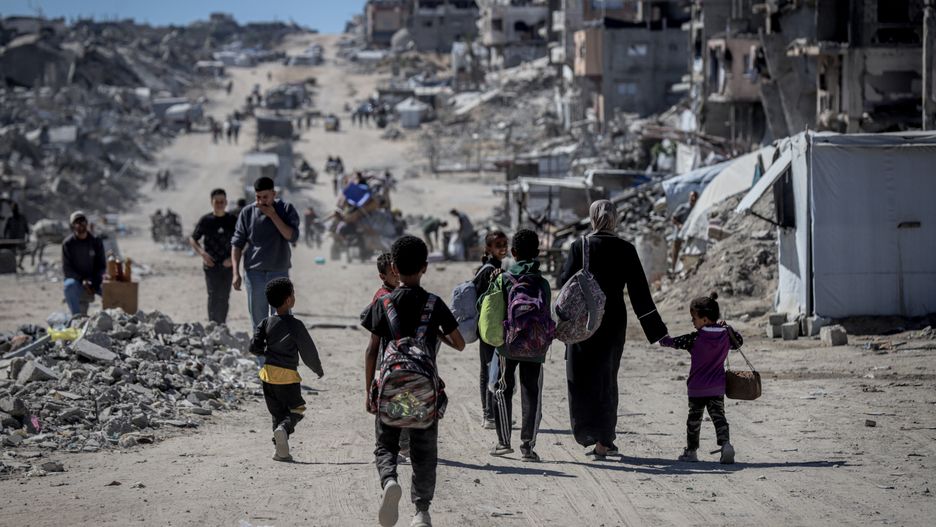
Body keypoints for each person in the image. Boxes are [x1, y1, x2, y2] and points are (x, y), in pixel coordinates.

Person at [361, 236, 465, 527]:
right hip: (422, 390)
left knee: (386, 444)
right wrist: (437, 333)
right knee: (424, 451)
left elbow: (371, 351)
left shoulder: (383, 303)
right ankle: (421, 511)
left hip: (392, 386)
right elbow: (460, 344)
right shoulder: (434, 303)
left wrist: (369, 391)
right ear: (425, 267)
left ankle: (390, 480)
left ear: (394, 268)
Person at [558, 200, 668, 458]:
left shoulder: (579, 246)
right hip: (613, 322)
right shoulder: (626, 249)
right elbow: (640, 293)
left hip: (583, 321)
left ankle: (586, 433)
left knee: (580, 377)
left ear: (592, 218)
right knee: (607, 379)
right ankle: (604, 440)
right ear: (615, 218)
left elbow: (563, 283)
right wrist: (657, 332)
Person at [489, 229, 551, 462]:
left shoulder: (503, 279)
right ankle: (528, 447)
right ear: (537, 253)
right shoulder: (543, 283)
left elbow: (489, 310)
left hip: (508, 346)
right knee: (532, 392)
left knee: (503, 388)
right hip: (535, 347)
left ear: (513, 253)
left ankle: (503, 442)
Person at [659, 293, 740, 464]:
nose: (692, 322)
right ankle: (726, 445)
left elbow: (673, 342)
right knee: (719, 418)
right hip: (717, 387)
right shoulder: (725, 335)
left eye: (694, 318)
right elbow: (738, 342)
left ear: (704, 319)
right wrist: (729, 328)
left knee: (694, 421)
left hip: (697, 389)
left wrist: (663, 339)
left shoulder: (695, 338)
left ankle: (691, 452)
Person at [249, 277, 324, 462]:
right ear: (289, 300)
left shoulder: (265, 323)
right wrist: (317, 368)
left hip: (267, 375)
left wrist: (266, 352)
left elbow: (254, 347)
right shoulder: (296, 325)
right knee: (296, 409)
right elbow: (308, 351)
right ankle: (284, 429)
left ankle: (280, 451)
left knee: (277, 414)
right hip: (288, 377)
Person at [231, 176, 301, 340]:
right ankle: (262, 356)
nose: (261, 201)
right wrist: (235, 273)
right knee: (259, 322)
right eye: (258, 197)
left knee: (282, 321)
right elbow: (237, 244)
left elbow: (291, 236)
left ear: (274, 194)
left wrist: (273, 215)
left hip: (279, 272)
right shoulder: (247, 213)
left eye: (265, 197)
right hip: (254, 274)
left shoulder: (285, 209)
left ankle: (280, 355)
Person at [471, 231, 508, 429]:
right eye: (498, 245)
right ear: (488, 248)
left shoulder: (492, 268)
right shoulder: (491, 271)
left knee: (490, 369)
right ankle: (489, 415)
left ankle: (491, 413)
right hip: (490, 328)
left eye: (504, 244)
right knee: (490, 370)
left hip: (487, 328)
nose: (503, 248)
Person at [189, 189, 237, 325]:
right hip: (211, 265)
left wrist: (233, 258)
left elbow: (244, 241)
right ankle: (212, 325)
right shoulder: (206, 220)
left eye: (222, 201)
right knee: (213, 294)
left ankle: (222, 325)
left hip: (228, 265)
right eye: (217, 202)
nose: (220, 204)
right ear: (212, 202)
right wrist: (203, 254)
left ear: (226, 202)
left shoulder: (232, 220)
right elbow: (193, 239)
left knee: (225, 296)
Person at [62, 211, 106, 317]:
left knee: (111, 289)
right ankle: (76, 318)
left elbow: (101, 265)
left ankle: (113, 318)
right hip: (78, 282)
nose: (80, 224)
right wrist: (82, 280)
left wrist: (94, 282)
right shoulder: (68, 244)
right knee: (69, 286)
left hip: (95, 281)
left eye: (82, 221)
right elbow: (67, 269)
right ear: (72, 226)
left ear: (87, 223)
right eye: (77, 222)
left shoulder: (96, 241)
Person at [670, 191, 698, 272]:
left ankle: (685, 268)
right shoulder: (683, 207)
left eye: (695, 196)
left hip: (689, 234)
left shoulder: (697, 209)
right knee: (675, 252)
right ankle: (673, 270)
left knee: (689, 252)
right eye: (692, 196)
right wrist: (679, 225)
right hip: (678, 234)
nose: (693, 198)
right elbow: (673, 218)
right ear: (689, 197)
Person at [3, 202, 29, 269]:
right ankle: (14, 265)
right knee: (12, 253)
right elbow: (6, 228)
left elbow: (26, 228)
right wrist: (5, 237)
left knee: (23, 252)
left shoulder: (22, 217)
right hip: (12, 239)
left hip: (20, 238)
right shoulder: (10, 218)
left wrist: (28, 236)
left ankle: (19, 263)